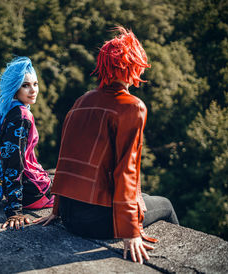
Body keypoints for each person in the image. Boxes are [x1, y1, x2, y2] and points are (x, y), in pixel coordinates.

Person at [34, 27, 179, 264]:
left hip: (69, 215)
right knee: (165, 204)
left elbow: (65, 159)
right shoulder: (132, 107)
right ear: (133, 65)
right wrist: (130, 230)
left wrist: (57, 209)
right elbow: (127, 171)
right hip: (97, 221)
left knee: (146, 197)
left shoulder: (81, 101)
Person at [0, 57, 54, 230]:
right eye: (25, 85)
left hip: (27, 187)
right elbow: (14, 162)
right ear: (15, 88)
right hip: (31, 192)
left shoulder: (11, 110)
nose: (33, 90)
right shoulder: (21, 116)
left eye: (35, 84)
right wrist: (15, 210)